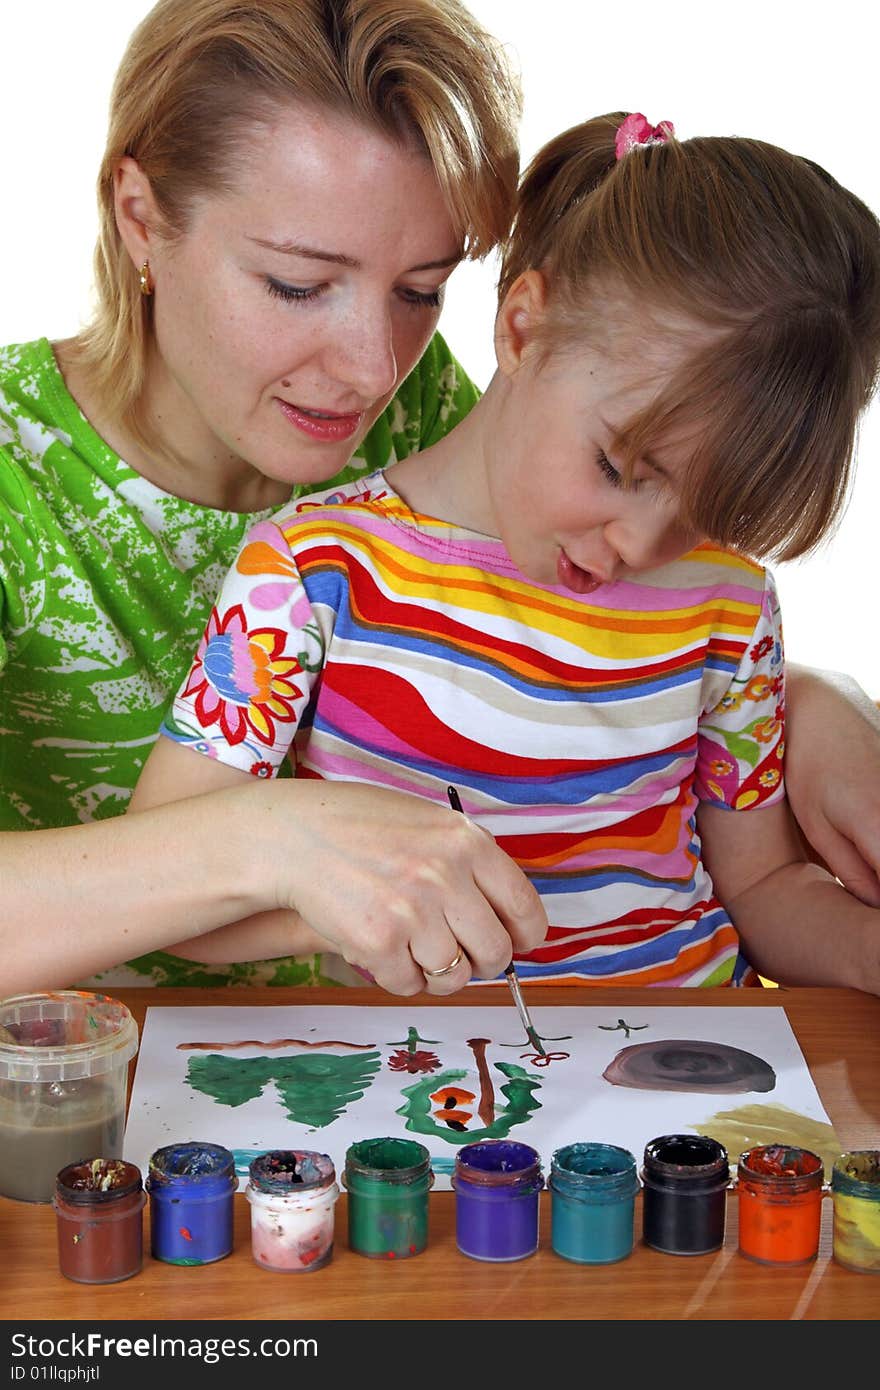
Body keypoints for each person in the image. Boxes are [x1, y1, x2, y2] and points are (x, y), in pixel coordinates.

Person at [2, 1, 879, 999]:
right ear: (139, 217)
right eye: (296, 283)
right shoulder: (36, 475)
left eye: (421, 290)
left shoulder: (431, 416)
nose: (371, 369)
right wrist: (257, 844)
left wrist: (816, 703)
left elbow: (611, 630)